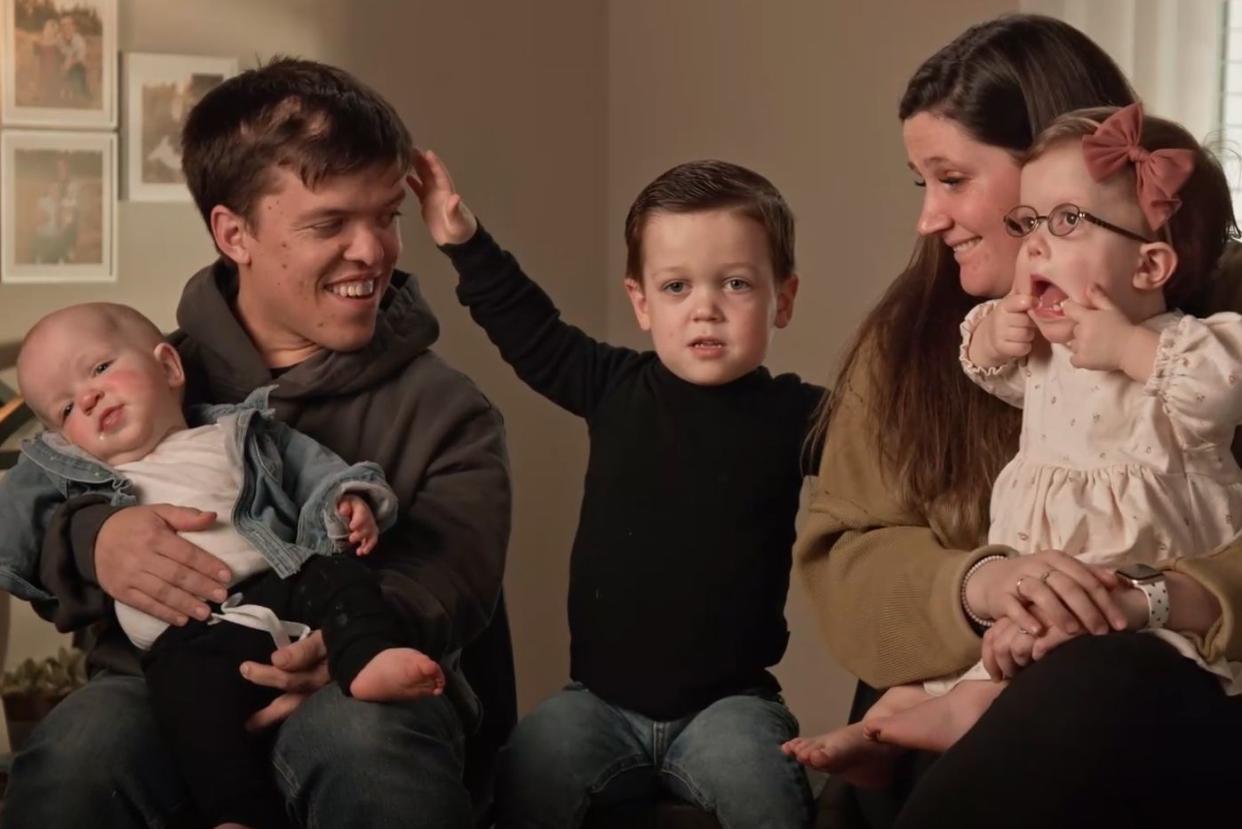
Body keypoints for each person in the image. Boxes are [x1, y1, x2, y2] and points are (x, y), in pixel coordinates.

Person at [0, 58, 512, 829]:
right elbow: (32, 504)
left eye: (386, 216)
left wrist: (350, 638)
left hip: (351, 682)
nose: (373, 251)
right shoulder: (138, 379)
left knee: (366, 743)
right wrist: (92, 538)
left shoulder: (448, 410)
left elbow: (454, 576)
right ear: (233, 233)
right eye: (330, 223)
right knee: (79, 755)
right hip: (155, 686)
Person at [790, 14, 1242, 828]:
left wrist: (1153, 597)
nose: (929, 216)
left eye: (952, 178)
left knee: (1096, 679)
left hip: (1159, 683)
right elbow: (844, 551)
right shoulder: (926, 342)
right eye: (918, 182)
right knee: (895, 716)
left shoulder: (1208, 327)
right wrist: (986, 584)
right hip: (988, 659)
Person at [409, 152, 821, 827]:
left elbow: (889, 442)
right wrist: (464, 241)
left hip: (732, 705)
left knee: (771, 793)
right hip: (596, 702)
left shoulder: (798, 416)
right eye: (677, 287)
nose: (706, 309)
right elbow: (531, 332)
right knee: (526, 769)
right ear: (641, 301)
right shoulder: (612, 386)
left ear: (785, 298)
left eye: (737, 284)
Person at [2, 302, 449, 829]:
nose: (90, 397)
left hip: (281, 600)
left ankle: (368, 658)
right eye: (67, 409)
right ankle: (237, 816)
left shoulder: (241, 432)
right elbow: (12, 537)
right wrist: (91, 532)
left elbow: (316, 471)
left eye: (99, 368)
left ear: (169, 367)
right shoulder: (72, 473)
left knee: (338, 576)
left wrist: (347, 498)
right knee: (192, 716)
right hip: (186, 639)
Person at [58, 14, 88, 105]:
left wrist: (67, 65)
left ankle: (75, 92)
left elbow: (80, 57)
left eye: (68, 25)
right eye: (63, 25)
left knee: (76, 69)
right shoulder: (59, 38)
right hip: (63, 63)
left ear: (73, 27)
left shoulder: (79, 40)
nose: (65, 28)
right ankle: (61, 91)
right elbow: (56, 49)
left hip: (76, 65)